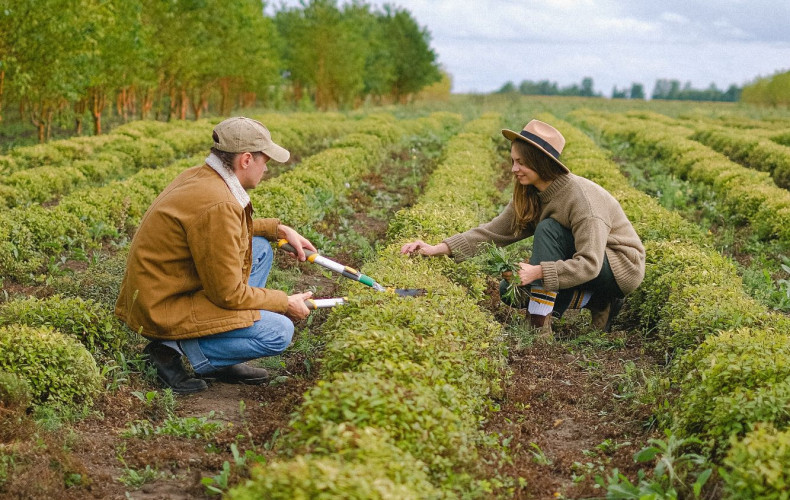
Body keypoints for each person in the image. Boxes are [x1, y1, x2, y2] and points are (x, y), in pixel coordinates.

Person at [115, 117, 315, 394]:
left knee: (259, 249)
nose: (266, 169)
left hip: (165, 289)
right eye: (265, 160)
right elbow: (228, 294)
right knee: (279, 331)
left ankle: (219, 353)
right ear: (246, 160)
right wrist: (283, 302)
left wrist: (277, 229)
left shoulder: (201, 177)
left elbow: (218, 229)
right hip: (163, 307)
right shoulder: (218, 203)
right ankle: (169, 350)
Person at [401, 119, 645, 335]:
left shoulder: (582, 201)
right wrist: (437, 248)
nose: (513, 169)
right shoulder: (532, 193)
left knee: (548, 229)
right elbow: (493, 232)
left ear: (540, 163)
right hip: (585, 263)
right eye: (512, 161)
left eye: (521, 162)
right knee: (510, 290)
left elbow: (590, 264)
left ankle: (539, 325)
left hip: (617, 266)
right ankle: (599, 302)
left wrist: (538, 272)